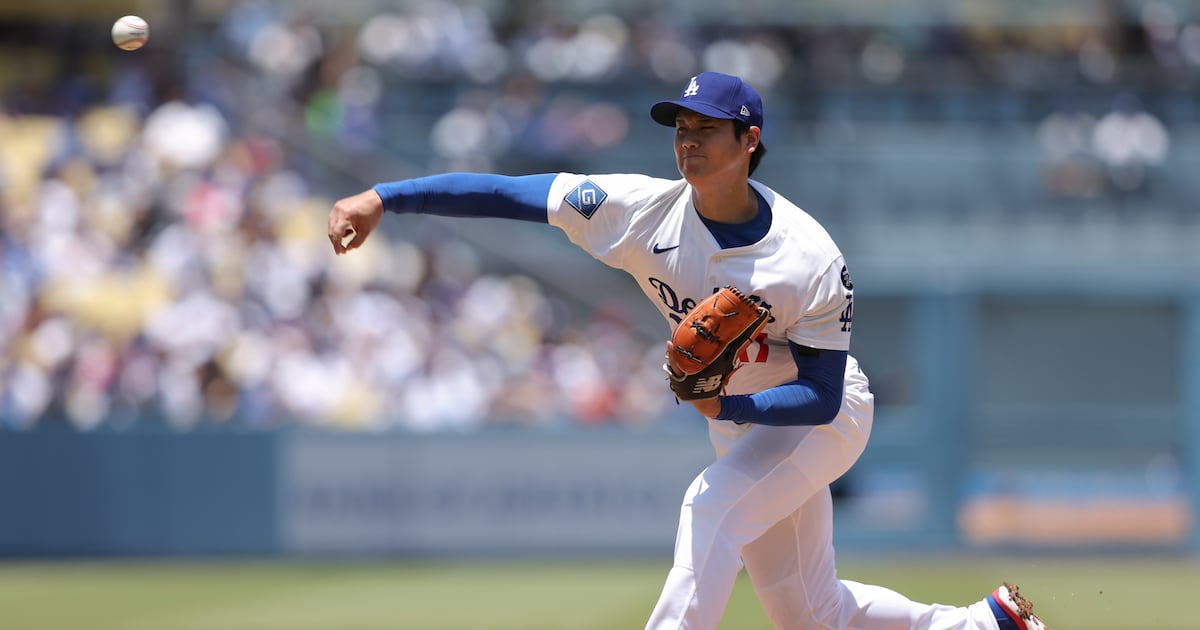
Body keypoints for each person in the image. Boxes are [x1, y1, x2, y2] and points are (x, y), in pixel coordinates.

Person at [327, 72, 1049, 630]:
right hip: (738, 425)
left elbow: (823, 395)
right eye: (681, 125)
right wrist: (387, 198)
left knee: (710, 509)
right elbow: (509, 193)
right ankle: (984, 623)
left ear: (751, 141)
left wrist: (725, 400)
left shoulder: (806, 258)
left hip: (817, 420)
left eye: (710, 128)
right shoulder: (637, 210)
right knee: (809, 613)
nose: (689, 139)